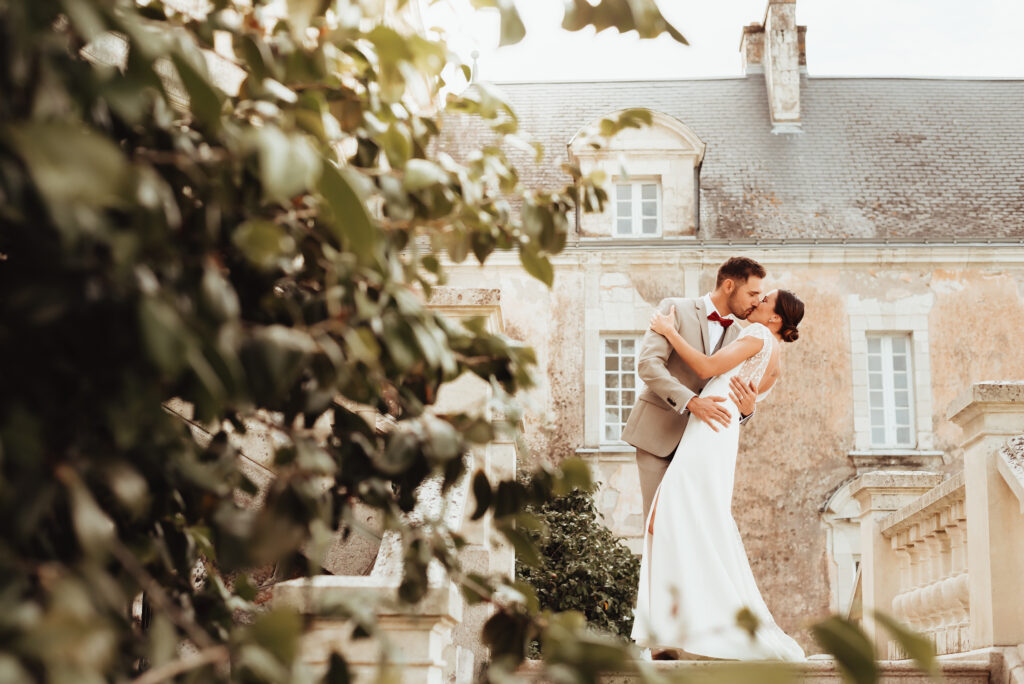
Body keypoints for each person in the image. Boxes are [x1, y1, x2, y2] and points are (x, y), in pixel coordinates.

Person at [631, 288, 807, 662]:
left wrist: (669, 330)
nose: (756, 303)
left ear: (775, 318)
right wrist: (745, 410)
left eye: (764, 301)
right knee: (693, 521)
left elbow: (709, 370)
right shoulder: (775, 356)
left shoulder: (757, 335)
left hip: (706, 432)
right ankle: (687, 624)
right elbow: (748, 399)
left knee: (671, 517)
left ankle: (681, 626)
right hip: (718, 432)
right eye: (756, 295)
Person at [621, 256, 767, 526]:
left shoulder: (742, 335)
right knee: (658, 527)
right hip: (658, 436)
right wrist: (691, 402)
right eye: (753, 293)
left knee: (691, 530)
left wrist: (746, 411)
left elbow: (736, 390)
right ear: (728, 286)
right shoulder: (675, 308)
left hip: (703, 446)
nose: (757, 301)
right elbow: (648, 366)